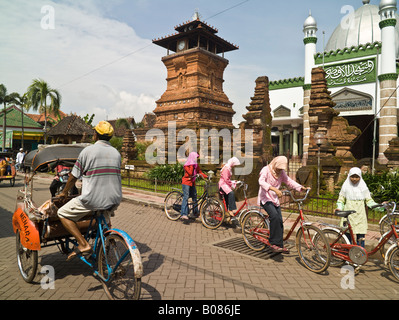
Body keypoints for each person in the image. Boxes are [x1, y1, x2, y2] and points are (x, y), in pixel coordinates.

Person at [57, 121, 122, 261]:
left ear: (95, 135)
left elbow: (73, 176)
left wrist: (64, 192)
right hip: (114, 199)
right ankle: (105, 245)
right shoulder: (116, 153)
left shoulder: (88, 151)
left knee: (62, 213)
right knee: (103, 219)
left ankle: (83, 244)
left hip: (92, 199)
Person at [258, 156, 308, 254]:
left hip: (274, 199)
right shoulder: (266, 170)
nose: (280, 170)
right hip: (265, 198)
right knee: (275, 217)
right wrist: (274, 189)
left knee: (280, 221)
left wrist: (301, 188)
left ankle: (280, 245)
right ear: (275, 163)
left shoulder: (281, 173)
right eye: (279, 168)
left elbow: (289, 181)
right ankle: (273, 243)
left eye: (282, 168)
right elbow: (261, 182)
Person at [335, 167, 380, 248]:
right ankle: (347, 256)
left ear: (360, 177)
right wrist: (339, 208)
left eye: (357, 177)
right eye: (352, 177)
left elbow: (369, 201)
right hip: (348, 215)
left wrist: (380, 207)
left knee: (361, 238)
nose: (354, 179)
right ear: (349, 176)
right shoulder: (345, 187)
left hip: (360, 215)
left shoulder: (363, 187)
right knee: (347, 237)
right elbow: (341, 200)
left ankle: (360, 256)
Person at [181, 152, 208, 221]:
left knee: (194, 197)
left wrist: (206, 176)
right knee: (186, 197)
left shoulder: (195, 165)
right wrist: (192, 165)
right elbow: (190, 173)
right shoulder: (187, 165)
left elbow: (200, 172)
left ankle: (195, 212)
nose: (196, 159)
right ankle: (184, 214)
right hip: (186, 182)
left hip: (192, 183)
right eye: (195, 158)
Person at [219, 157, 240, 221]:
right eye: (235, 165)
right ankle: (230, 210)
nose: (234, 166)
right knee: (231, 193)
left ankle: (226, 213)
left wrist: (233, 181)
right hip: (222, 185)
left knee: (227, 199)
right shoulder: (226, 169)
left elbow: (227, 179)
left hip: (225, 184)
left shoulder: (228, 168)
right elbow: (226, 179)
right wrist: (232, 184)